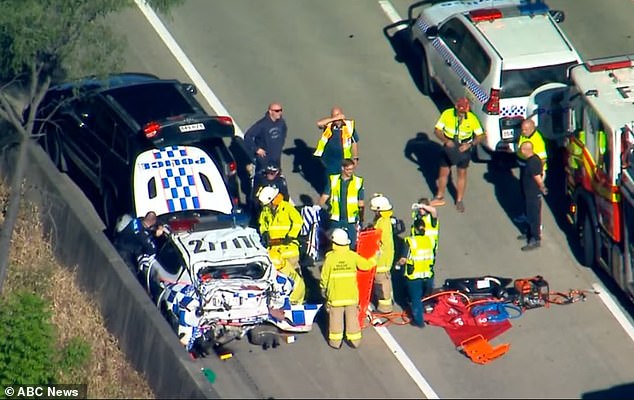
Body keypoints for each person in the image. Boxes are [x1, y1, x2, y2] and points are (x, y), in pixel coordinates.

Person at [320, 228, 375, 349]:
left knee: (335, 321)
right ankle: (355, 341)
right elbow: (365, 266)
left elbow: (324, 277)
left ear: (334, 243)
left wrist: (323, 290)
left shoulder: (330, 258)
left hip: (335, 297)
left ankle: (335, 342)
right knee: (352, 320)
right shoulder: (352, 256)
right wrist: (374, 259)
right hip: (351, 296)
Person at [430, 97, 485, 213]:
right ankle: (439, 196)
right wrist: (446, 141)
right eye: (460, 111)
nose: (461, 114)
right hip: (449, 145)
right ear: (456, 107)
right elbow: (437, 130)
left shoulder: (472, 119)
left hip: (464, 146)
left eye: (464, 112)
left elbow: (481, 136)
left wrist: (470, 144)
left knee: (462, 173)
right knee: (443, 172)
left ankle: (459, 200)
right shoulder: (447, 114)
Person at [397, 218, 436, 328]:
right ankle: (429, 311)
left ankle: (419, 321)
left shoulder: (410, 241)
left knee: (415, 300)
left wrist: (397, 265)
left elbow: (403, 259)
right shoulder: (430, 240)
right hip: (428, 274)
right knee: (426, 295)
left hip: (414, 275)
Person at [319, 158, 365, 250]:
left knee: (351, 243)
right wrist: (316, 208)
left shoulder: (358, 182)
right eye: (348, 169)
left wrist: (361, 218)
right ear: (342, 168)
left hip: (351, 219)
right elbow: (325, 195)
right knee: (334, 241)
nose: (350, 172)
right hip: (336, 218)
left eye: (352, 169)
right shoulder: (333, 180)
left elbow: (361, 203)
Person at [257, 186, 304, 271]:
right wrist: (264, 232)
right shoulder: (266, 210)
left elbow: (298, 221)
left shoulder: (287, 207)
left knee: (294, 274)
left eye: (268, 204)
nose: (267, 206)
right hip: (274, 249)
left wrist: (291, 235)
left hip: (289, 249)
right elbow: (262, 223)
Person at [313, 106, 360, 188]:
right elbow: (319, 124)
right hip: (329, 159)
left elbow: (354, 142)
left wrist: (355, 158)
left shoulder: (349, 126)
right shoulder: (329, 125)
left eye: (338, 115)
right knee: (330, 180)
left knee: (342, 179)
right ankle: (330, 196)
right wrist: (333, 119)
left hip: (343, 159)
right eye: (334, 116)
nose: (337, 119)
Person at [514, 119, 548, 223]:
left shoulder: (538, 141)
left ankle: (536, 224)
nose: (523, 131)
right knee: (525, 194)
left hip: (534, 172)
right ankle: (527, 214)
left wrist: (536, 173)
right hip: (525, 168)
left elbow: (542, 159)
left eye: (525, 130)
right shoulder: (525, 135)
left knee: (533, 199)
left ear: (532, 128)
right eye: (522, 129)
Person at [517, 142, 547, 251]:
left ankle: (535, 238)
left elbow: (538, 178)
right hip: (528, 193)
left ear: (526, 150)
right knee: (529, 214)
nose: (521, 152)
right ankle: (529, 233)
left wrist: (542, 188)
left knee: (534, 216)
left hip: (533, 194)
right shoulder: (531, 160)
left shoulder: (533, 162)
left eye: (521, 150)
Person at [243, 102, 288, 175]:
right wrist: (257, 149)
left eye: (280, 110)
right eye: (277, 111)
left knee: (276, 178)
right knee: (262, 178)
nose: (279, 113)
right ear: (270, 111)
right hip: (264, 159)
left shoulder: (281, 122)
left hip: (276, 157)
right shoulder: (262, 124)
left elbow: (284, 131)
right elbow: (248, 136)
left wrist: (280, 144)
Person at [369, 194, 395, 313]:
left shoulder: (382, 222)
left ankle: (385, 307)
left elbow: (381, 241)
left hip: (382, 258)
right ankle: (388, 300)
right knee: (385, 280)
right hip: (385, 256)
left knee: (381, 282)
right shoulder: (384, 220)